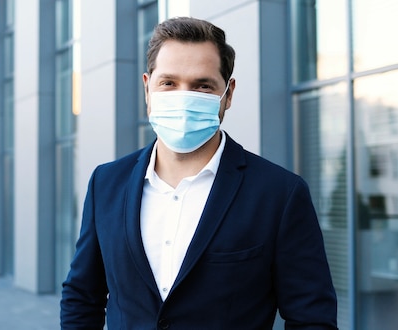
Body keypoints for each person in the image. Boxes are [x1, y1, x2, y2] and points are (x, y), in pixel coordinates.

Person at [61, 16, 337, 329]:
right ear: (147, 88)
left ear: (228, 94)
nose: (183, 97)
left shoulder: (279, 193)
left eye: (202, 86)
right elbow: (82, 296)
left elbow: (311, 318)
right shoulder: (107, 183)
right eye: (169, 83)